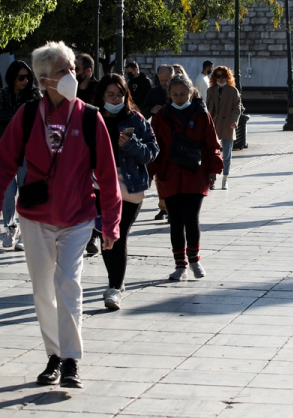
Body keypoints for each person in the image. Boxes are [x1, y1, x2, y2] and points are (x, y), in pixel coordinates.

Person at [0, 41, 121, 389]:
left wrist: (111, 223)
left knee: (69, 285)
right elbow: (2, 163)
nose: (72, 75)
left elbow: (107, 174)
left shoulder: (90, 117)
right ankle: (54, 356)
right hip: (35, 217)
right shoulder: (28, 115)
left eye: (73, 68)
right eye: (63, 71)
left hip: (77, 218)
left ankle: (72, 359)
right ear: (45, 79)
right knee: (43, 290)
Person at [147, 74, 223, 281]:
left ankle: (194, 260)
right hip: (168, 173)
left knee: (191, 218)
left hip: (195, 173)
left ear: (191, 92)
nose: (179, 98)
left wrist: (214, 169)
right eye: (174, 94)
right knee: (175, 220)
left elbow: (212, 143)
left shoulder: (202, 114)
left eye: (182, 93)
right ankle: (180, 264)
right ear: (168, 95)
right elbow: (153, 147)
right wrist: (149, 172)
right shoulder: (161, 115)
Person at [93, 74, 159, 311]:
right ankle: (115, 283)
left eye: (119, 94)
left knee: (118, 233)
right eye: (110, 94)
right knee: (105, 234)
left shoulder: (136, 119)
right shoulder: (93, 118)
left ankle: (114, 288)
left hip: (128, 185)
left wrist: (131, 145)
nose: (115, 98)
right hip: (97, 184)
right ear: (102, 96)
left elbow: (152, 151)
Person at [0, 61, 43, 250]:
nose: (25, 80)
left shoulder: (34, 95)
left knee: (26, 191)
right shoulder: (1, 95)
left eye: (28, 76)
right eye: (21, 77)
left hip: (28, 151)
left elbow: (44, 118)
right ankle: (11, 227)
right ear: (12, 77)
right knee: (8, 192)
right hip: (6, 149)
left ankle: (25, 230)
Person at [141, 64, 175, 221]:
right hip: (158, 135)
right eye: (162, 80)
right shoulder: (154, 92)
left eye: (167, 80)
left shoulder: (178, 90)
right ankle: (164, 207)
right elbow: (143, 108)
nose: (165, 83)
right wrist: (151, 109)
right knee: (160, 173)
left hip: (176, 137)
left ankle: (174, 206)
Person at [206, 65, 241, 190]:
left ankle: (225, 179)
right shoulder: (211, 90)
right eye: (218, 76)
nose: (221, 79)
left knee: (227, 155)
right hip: (214, 125)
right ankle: (212, 179)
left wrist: (234, 121)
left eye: (224, 76)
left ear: (228, 77)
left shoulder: (233, 91)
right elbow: (207, 108)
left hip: (227, 125)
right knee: (213, 154)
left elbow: (237, 108)